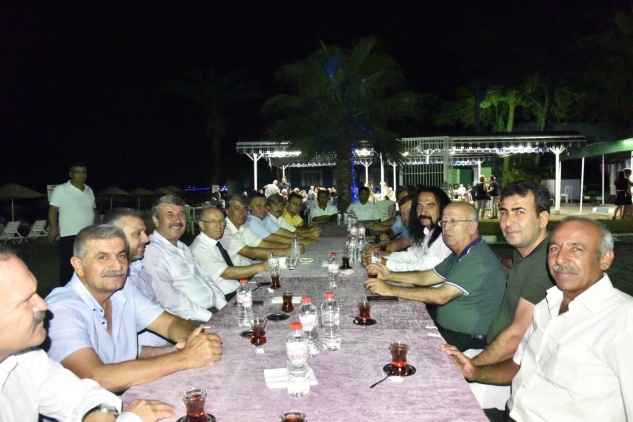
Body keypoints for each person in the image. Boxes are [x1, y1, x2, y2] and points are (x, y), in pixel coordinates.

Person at [441, 217, 633, 421]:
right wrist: (474, 372)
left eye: (576, 249)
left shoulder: (623, 320)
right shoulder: (546, 306)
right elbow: (519, 367)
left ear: (605, 259)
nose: (560, 259)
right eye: (554, 248)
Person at [0, 246, 175, 421]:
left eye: (35, 293)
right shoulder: (64, 306)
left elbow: (85, 396)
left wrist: (100, 412)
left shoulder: (25, 358)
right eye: (25, 300)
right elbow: (98, 378)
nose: (43, 305)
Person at [46, 225, 223, 393]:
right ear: (78, 265)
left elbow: (169, 324)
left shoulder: (123, 290)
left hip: (126, 394)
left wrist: (193, 339)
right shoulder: (60, 309)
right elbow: (96, 377)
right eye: (103, 257)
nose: (117, 266)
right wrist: (186, 357)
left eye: (121, 255)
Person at [365, 202, 506, 351]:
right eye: (443, 222)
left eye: (453, 221)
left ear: (472, 226)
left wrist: (390, 290)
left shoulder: (477, 259)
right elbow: (426, 277)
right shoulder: (460, 253)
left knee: (394, 342)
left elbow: (440, 296)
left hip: (466, 340)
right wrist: (389, 275)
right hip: (449, 331)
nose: (447, 227)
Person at [465, 181, 555, 409]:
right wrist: (495, 262)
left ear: (543, 219)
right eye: (504, 212)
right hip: (495, 352)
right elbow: (512, 264)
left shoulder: (545, 264)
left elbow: (516, 336)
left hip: (515, 371)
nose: (508, 221)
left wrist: (469, 367)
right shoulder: (526, 253)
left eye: (519, 212)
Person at [141, 195, 227, 323]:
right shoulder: (152, 251)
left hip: (212, 311)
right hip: (189, 320)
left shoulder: (182, 246)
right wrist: (211, 317)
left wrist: (224, 307)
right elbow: (169, 297)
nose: (177, 220)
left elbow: (205, 277)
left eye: (181, 214)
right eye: (170, 215)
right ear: (156, 220)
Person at [190, 207, 269, 302]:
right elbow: (226, 273)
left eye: (221, 221)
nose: (219, 225)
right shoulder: (200, 248)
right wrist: (262, 266)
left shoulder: (216, 242)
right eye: (213, 221)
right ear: (202, 225)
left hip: (237, 289)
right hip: (224, 298)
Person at [365, 186, 452, 272]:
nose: (423, 212)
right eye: (419, 206)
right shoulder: (426, 232)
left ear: (443, 209)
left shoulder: (445, 235)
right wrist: (376, 258)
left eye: (430, 206)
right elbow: (412, 255)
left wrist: (386, 262)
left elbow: (424, 268)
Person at [48, 162, 100, 285]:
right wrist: (53, 228)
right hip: (69, 234)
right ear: (70, 174)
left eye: (83, 172)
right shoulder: (61, 189)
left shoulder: (89, 190)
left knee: (88, 263)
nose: (81, 175)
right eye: (77, 172)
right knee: (68, 264)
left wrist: (99, 227)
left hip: (88, 234)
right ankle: (66, 290)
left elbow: (94, 210)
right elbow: (53, 210)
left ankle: (85, 287)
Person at [221, 194, 297, 266]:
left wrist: (293, 246)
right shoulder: (223, 230)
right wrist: (286, 250)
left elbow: (267, 245)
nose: (242, 213)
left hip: (249, 268)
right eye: (237, 208)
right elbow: (251, 252)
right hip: (237, 274)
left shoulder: (243, 228)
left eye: (244, 209)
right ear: (227, 211)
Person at [246, 192, 315, 245]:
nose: (263, 209)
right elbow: (274, 238)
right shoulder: (251, 220)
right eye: (258, 206)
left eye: (264, 205)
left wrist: (305, 238)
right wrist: (301, 241)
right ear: (249, 207)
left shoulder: (266, 218)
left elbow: (284, 232)